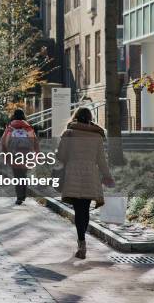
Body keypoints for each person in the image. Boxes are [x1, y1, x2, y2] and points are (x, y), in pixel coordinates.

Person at [57, 107, 115, 259]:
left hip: (73, 173)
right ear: (90, 117)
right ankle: (82, 241)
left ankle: (81, 242)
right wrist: (108, 176)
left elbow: (61, 156)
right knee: (85, 209)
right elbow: (102, 160)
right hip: (91, 174)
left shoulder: (69, 133)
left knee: (78, 210)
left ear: (75, 117)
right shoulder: (97, 136)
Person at [1, 109, 39, 206]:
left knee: (17, 175)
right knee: (24, 174)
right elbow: (35, 141)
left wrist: (5, 154)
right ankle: (23, 194)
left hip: (14, 154)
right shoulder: (28, 127)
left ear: (14, 116)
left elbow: (4, 141)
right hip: (27, 154)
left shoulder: (10, 127)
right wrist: (37, 154)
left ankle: (19, 197)